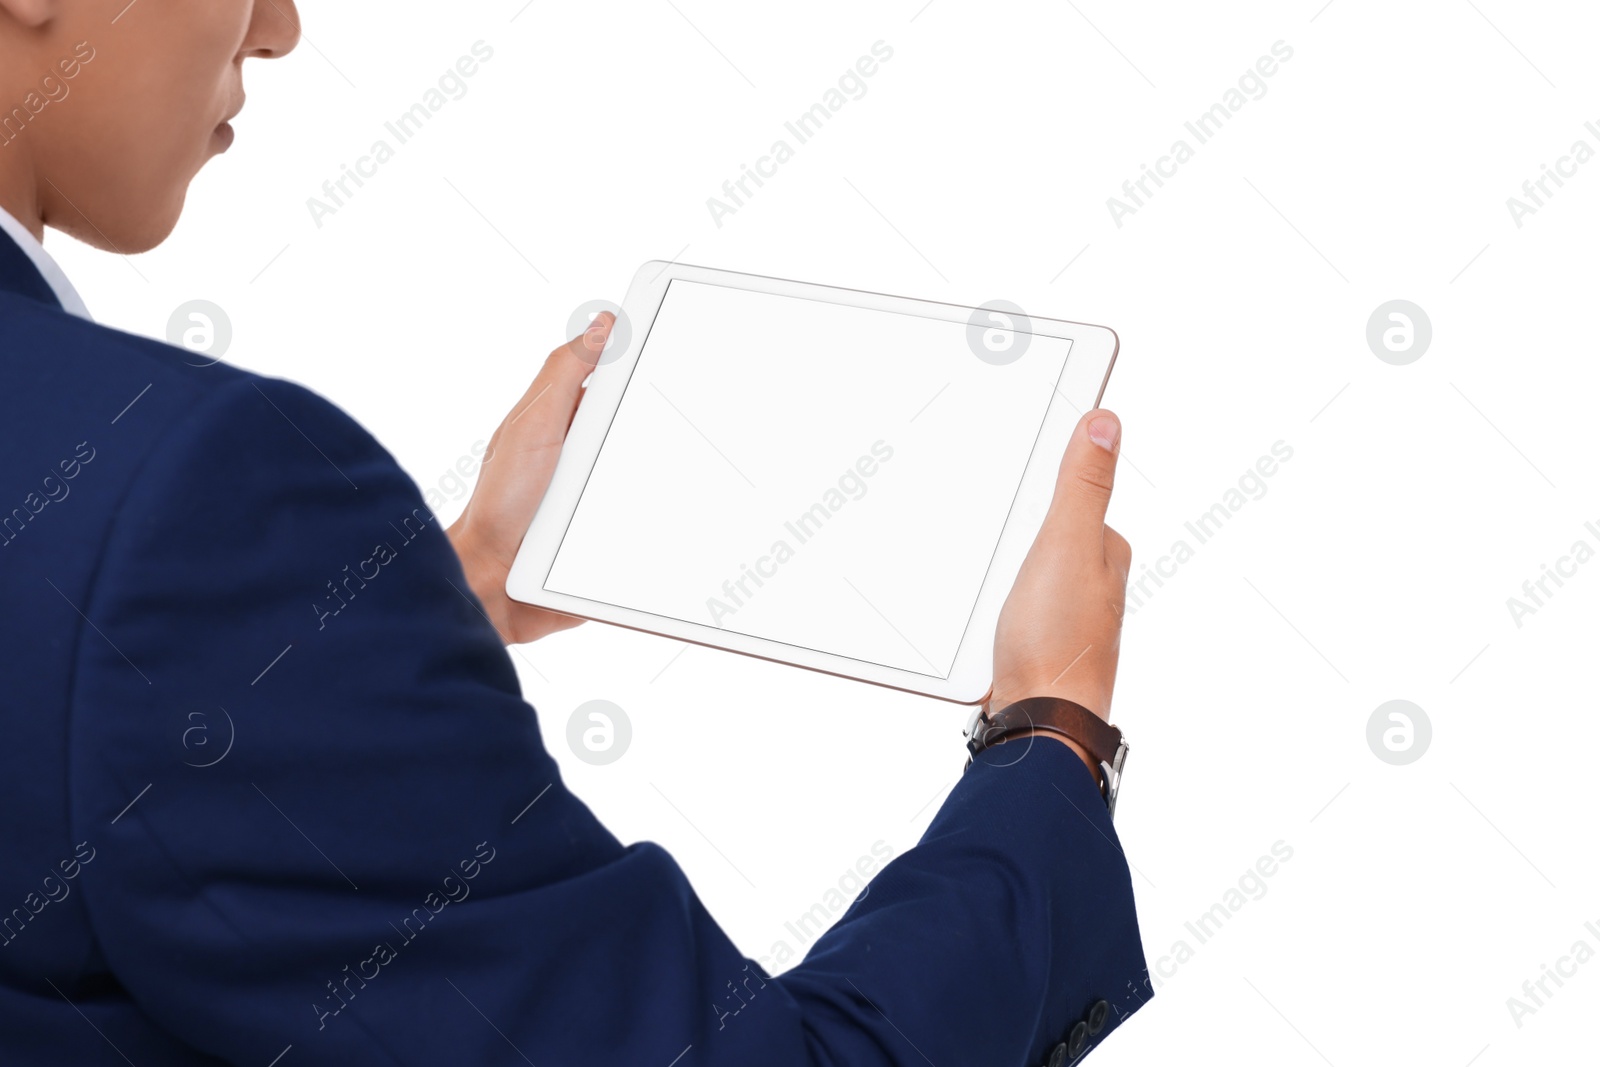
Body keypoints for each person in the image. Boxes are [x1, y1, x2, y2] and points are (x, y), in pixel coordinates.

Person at [0, 2, 1151, 1064]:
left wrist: (425, 599)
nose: (280, 26)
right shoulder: (185, 490)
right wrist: (1049, 733)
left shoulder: (131, 520)